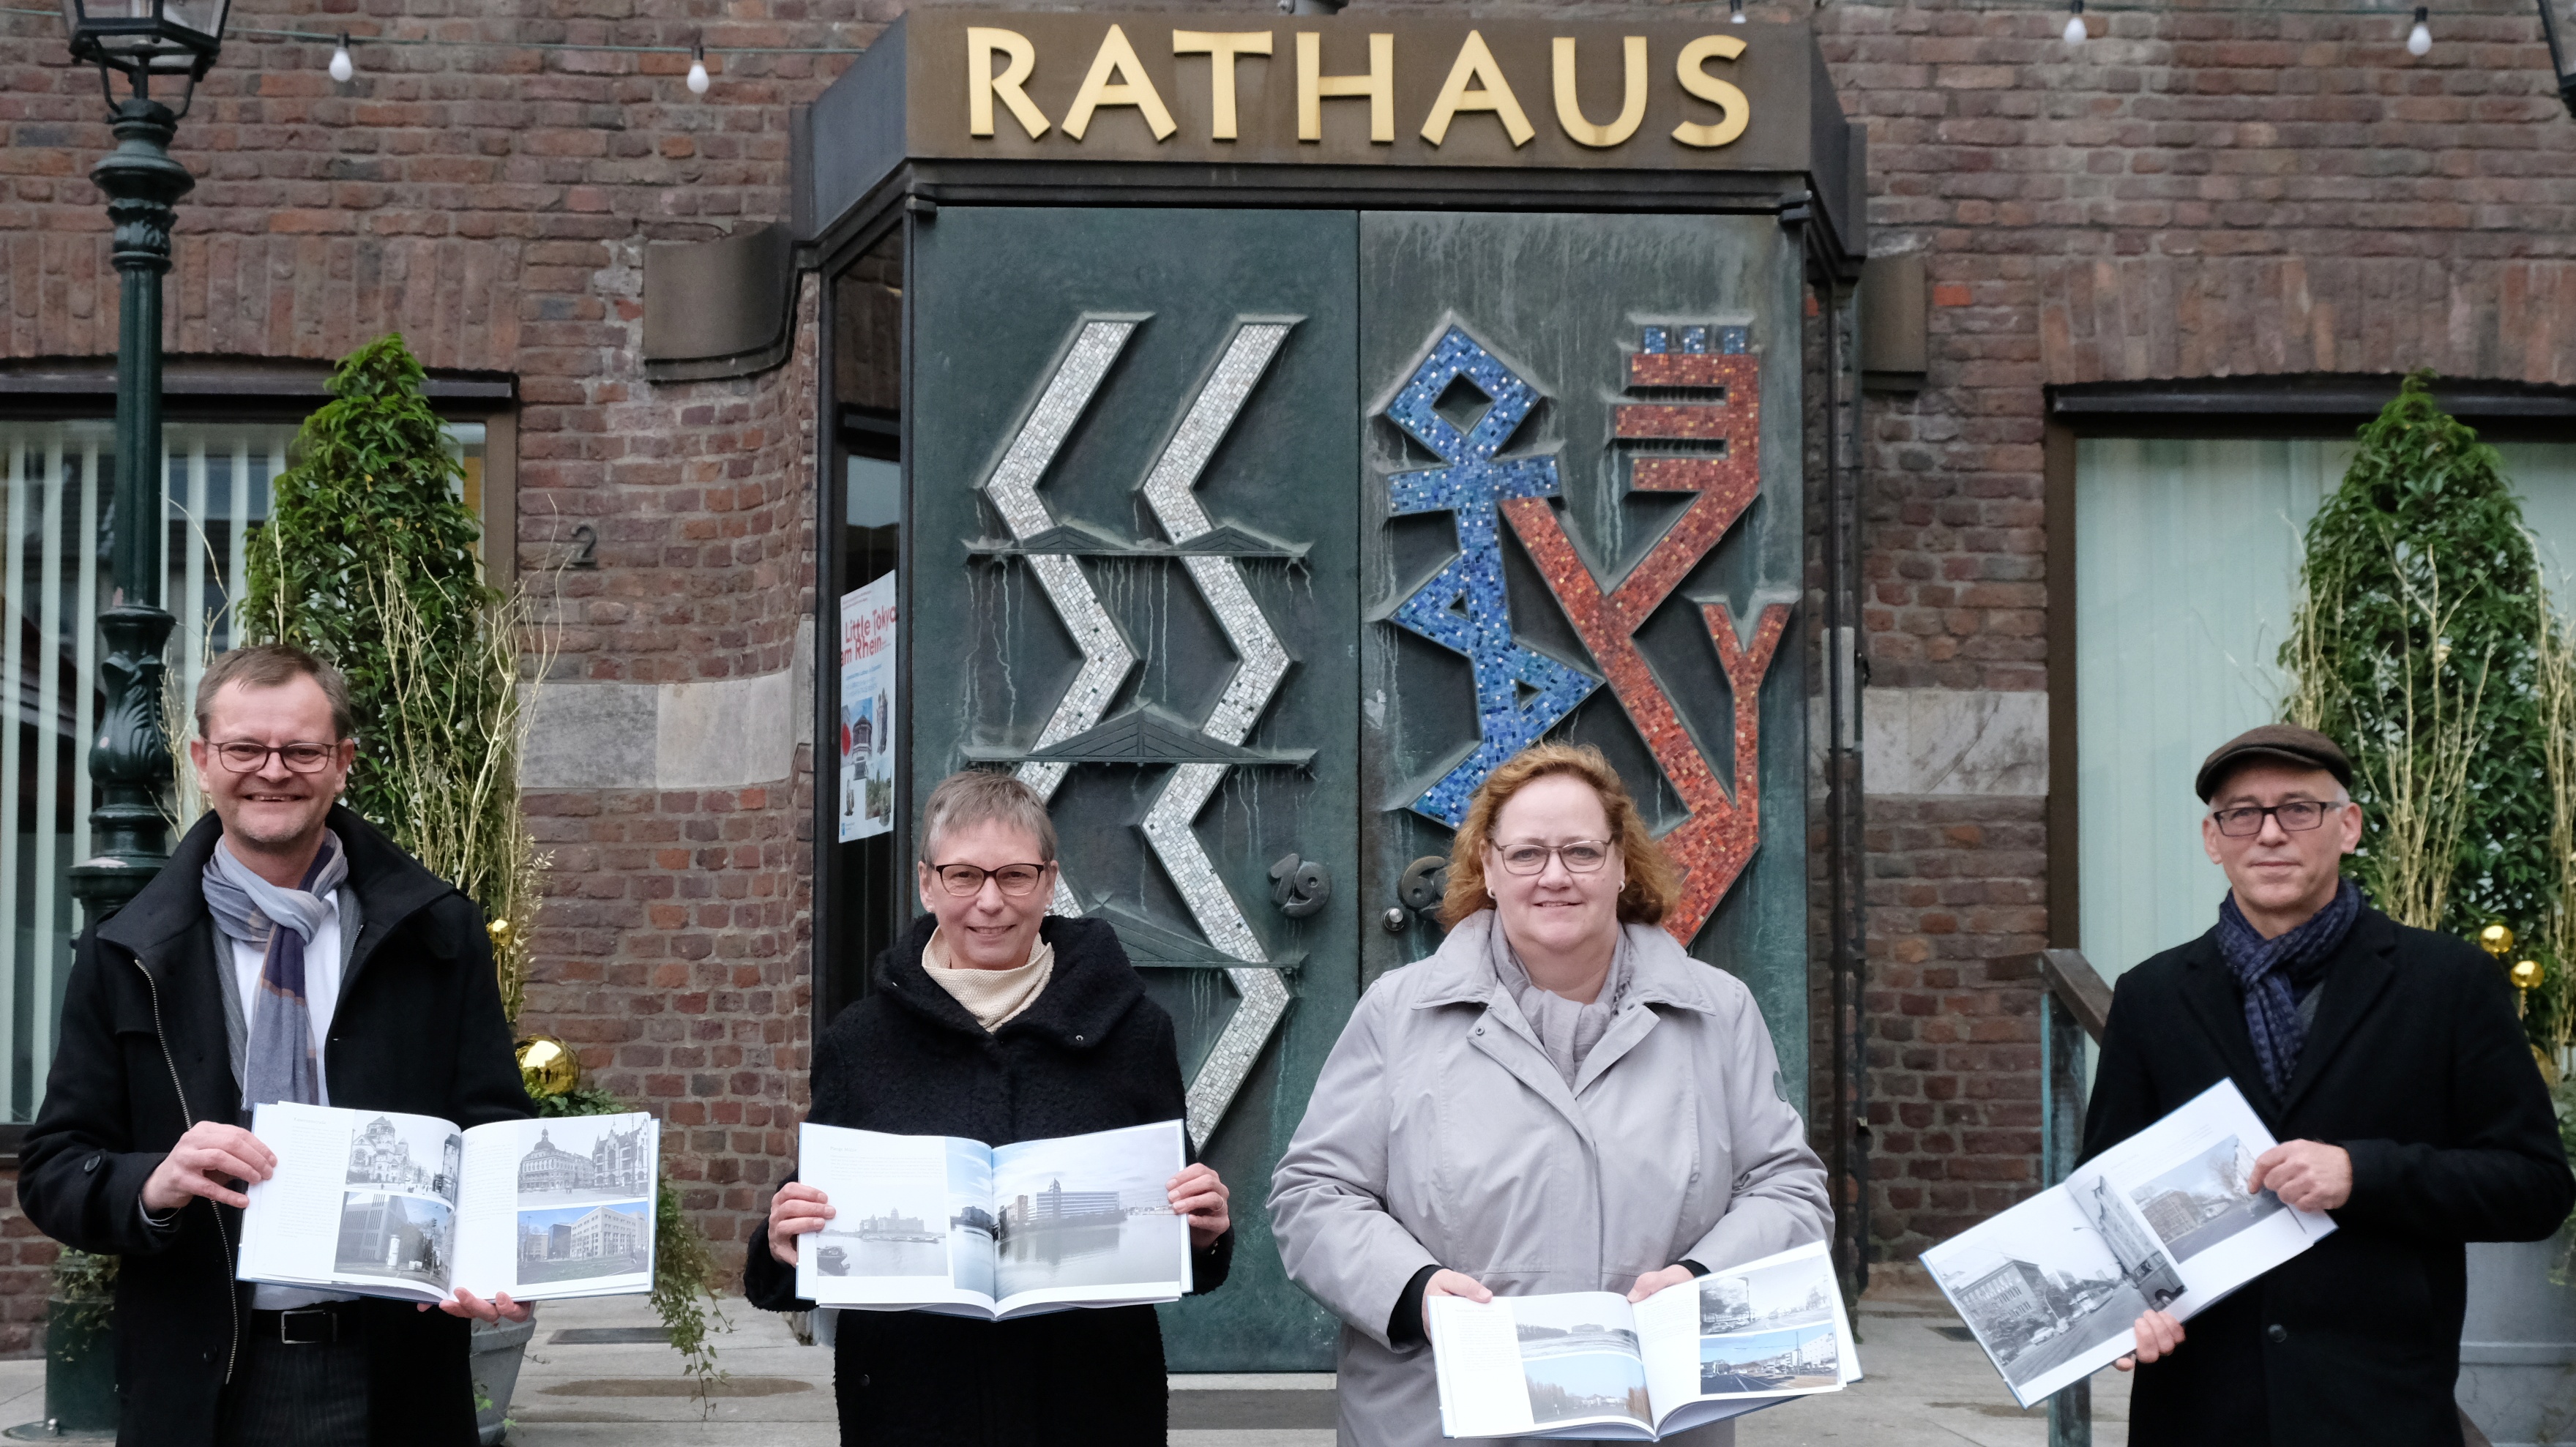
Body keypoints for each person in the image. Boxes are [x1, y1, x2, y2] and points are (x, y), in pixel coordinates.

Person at [20, 644, 535, 1447]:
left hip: (396, 1375)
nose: (273, 771)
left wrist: (502, 1259)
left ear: (342, 764)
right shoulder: (128, 951)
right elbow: (55, 1168)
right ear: (201, 760)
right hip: (201, 1383)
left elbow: (494, 1133)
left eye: (302, 750)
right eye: (244, 749)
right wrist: (154, 1182)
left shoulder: (435, 930)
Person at [1270, 742, 1829, 1447]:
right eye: (1527, 853)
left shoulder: (1719, 1012)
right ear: (1489, 869)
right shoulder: (1398, 1011)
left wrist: (1701, 1277)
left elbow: (1788, 1188)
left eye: (1581, 852)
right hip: (1437, 1420)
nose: (1555, 876)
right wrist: (1412, 1292)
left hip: (1655, 1422)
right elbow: (1314, 1193)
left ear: (1622, 864)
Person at [2086, 723, 2575, 1447]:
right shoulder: (2152, 995)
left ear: (2348, 827)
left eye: (2298, 809)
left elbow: (2535, 1187)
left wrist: (2363, 1171)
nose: (2270, 834)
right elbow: (2102, 1199)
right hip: (2200, 1406)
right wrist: (2119, 1312)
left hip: (2379, 1402)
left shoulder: (2447, 983)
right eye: (2242, 813)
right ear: (2212, 839)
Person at [743, 769, 1235, 1444]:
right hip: (911, 1401)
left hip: (1090, 1402)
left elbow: (1167, 1211)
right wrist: (782, 1237)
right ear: (926, 882)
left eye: (1015, 876)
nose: (990, 902)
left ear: (1050, 879)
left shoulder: (1134, 1031)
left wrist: (1201, 1229)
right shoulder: (859, 1040)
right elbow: (815, 1215)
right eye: (963, 876)